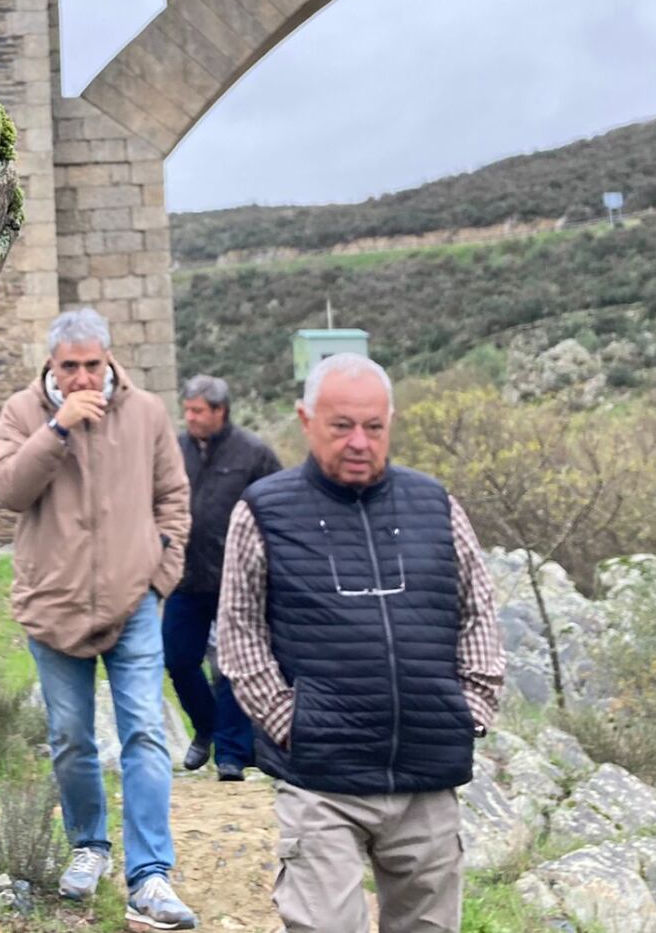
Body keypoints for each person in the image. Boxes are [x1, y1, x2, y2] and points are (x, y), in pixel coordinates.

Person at [216, 353, 505, 933]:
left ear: (389, 423)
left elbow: (479, 612)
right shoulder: (264, 511)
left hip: (426, 777)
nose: (359, 442)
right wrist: (290, 722)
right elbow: (238, 633)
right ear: (306, 420)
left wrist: (469, 710)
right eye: (341, 425)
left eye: (373, 427)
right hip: (322, 782)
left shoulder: (436, 506)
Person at [0, 308, 198, 931]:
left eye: (91, 364)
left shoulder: (146, 413)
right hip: (53, 606)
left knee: (145, 733)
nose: (82, 377)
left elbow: (174, 497)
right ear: (51, 366)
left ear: (108, 359)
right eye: (69, 366)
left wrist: (160, 575)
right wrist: (57, 428)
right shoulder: (21, 413)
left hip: (133, 602)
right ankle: (89, 846)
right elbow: (7, 491)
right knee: (72, 737)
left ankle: (151, 874)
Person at [169, 374, 281, 782]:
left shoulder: (254, 453)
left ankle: (232, 754)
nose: (190, 417)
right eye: (187, 410)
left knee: (233, 665)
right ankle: (207, 726)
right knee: (178, 658)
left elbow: (278, 507)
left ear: (220, 411)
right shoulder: (174, 450)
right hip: (184, 576)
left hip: (238, 579)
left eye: (198, 411)